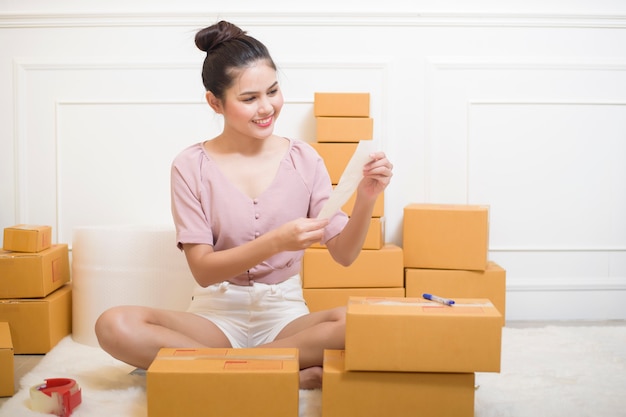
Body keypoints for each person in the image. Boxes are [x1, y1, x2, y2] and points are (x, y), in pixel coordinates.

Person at [95, 20, 393, 390]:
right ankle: (276, 369)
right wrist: (276, 241)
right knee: (113, 324)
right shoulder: (190, 166)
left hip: (284, 316)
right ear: (214, 102)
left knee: (365, 323)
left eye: (273, 91)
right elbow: (203, 271)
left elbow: (344, 255)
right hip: (215, 316)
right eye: (249, 99)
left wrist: (366, 197)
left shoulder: (305, 160)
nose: (266, 107)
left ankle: (224, 369)